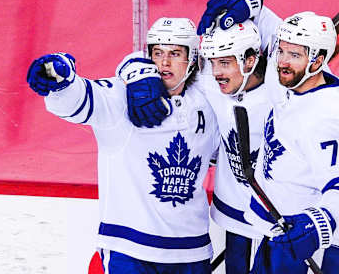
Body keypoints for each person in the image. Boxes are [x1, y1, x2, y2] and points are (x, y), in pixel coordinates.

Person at [125, 0, 339, 273]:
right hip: (258, 210)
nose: (215, 71)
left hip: (305, 218)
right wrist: (137, 73)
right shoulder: (278, 80)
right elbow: (165, 59)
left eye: (225, 62)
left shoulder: (308, 93)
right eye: (281, 53)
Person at [26, 17, 220, 274]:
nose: (164, 62)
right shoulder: (121, 97)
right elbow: (82, 98)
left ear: (192, 59)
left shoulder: (210, 101)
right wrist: (60, 81)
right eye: (157, 53)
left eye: (175, 53)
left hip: (192, 251)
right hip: (130, 250)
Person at [242, 11, 339, 274]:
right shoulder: (299, 82)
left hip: (307, 245)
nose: (283, 62)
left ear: (317, 61)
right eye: (282, 51)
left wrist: (315, 226)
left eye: (295, 55)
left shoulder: (325, 116)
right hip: (279, 231)